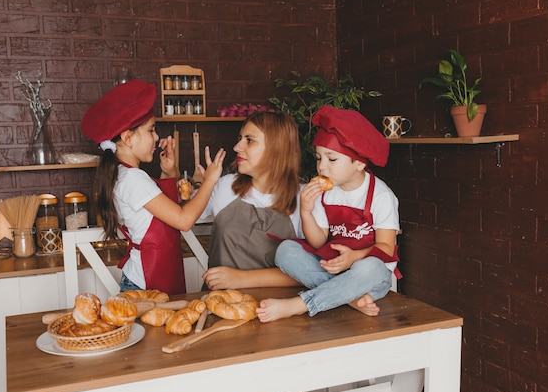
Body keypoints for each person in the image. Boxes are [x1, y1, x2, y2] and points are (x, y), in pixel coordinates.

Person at [257, 105, 402, 322]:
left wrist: (353, 257)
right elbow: (318, 242)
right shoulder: (327, 193)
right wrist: (306, 211)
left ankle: (301, 304)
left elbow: (386, 248)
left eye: (331, 159)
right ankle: (347, 297)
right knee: (286, 251)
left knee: (369, 268)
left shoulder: (381, 196)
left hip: (370, 276)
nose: (321, 167)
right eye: (318, 158)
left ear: (359, 163)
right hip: (332, 268)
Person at [81, 79, 226, 295]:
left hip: (149, 277)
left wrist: (169, 172)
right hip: (146, 283)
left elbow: (161, 213)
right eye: (151, 130)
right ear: (128, 138)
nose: (156, 137)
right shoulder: (133, 179)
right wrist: (210, 180)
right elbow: (183, 220)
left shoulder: (125, 175)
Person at [201, 110, 304, 290]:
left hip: (277, 309)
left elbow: (312, 273)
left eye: (249, 140)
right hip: (219, 303)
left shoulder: (304, 198)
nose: (237, 147)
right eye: (240, 138)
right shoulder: (226, 187)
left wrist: (241, 279)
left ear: (276, 147)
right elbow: (182, 218)